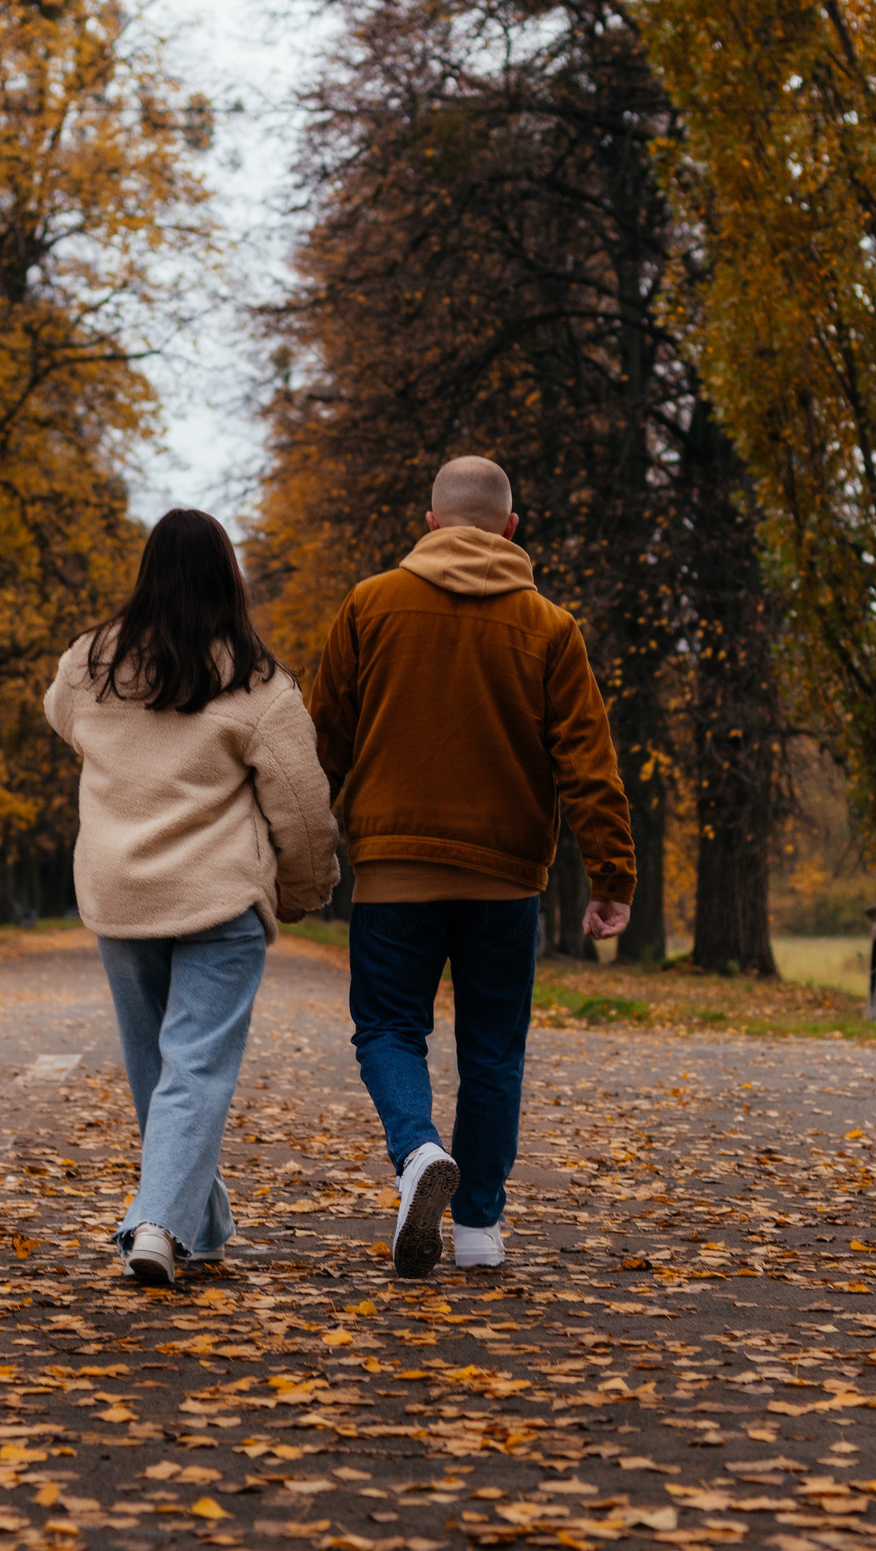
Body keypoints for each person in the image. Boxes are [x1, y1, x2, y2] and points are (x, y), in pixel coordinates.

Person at [309, 456, 634, 1278]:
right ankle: (481, 1228)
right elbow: (589, 767)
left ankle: (418, 1152)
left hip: (393, 871)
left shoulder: (370, 605)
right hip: (504, 881)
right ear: (510, 530)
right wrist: (612, 878)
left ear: (430, 524)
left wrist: (306, 854)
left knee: (388, 1029)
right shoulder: (551, 628)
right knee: (494, 1050)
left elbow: (321, 747)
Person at [45, 508, 341, 1288]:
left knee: (159, 1069)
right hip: (217, 898)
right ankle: (161, 1222)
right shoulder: (257, 682)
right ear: (228, 579)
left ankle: (192, 1224)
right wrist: (306, 890)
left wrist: (114, 747)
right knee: (194, 1071)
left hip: (120, 894)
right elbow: (303, 808)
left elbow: (60, 715)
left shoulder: (89, 665)